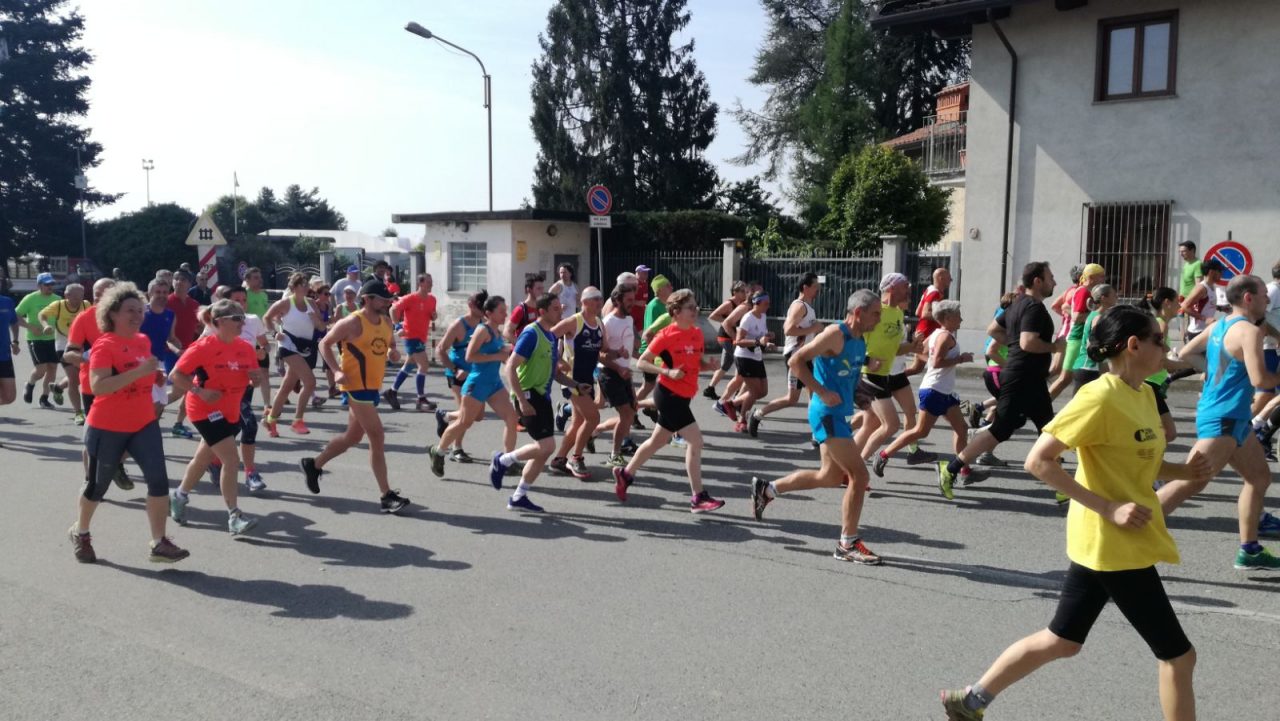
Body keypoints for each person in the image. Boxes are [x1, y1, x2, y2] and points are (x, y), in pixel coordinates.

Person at [939, 305, 1208, 721]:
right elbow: (1039, 460)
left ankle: (970, 701)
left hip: (1113, 541)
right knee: (1179, 656)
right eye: (1158, 339)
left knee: (1063, 640)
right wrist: (1109, 508)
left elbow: (1136, 459)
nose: (1165, 347)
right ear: (1134, 345)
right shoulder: (1098, 396)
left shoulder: (1144, 394)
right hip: (1112, 542)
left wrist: (1183, 470)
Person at [1156, 274, 1280, 569]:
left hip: (1233, 418)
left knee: (1259, 478)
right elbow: (1261, 380)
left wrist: (1213, 376)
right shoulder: (1247, 332)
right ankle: (1126, 532)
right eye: (1264, 294)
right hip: (1223, 417)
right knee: (1191, 480)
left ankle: (1249, 550)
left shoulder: (1220, 325)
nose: (1268, 299)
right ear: (1248, 298)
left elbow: (1186, 352)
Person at [750, 290, 883, 563]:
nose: (879, 320)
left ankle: (767, 489)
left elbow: (849, 378)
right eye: (876, 314)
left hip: (839, 414)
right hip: (826, 414)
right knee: (859, 476)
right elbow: (796, 361)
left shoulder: (859, 341)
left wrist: (862, 400)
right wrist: (820, 391)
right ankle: (847, 543)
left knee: (830, 477)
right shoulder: (836, 334)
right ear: (858, 312)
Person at [69, 282, 190, 564]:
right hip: (107, 425)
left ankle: (159, 542)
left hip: (143, 422)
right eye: (129, 311)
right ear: (112, 314)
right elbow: (99, 386)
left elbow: (143, 376)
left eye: (140, 310)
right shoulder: (104, 345)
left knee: (158, 482)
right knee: (97, 487)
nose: (137, 315)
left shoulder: (142, 341)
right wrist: (139, 372)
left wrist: (154, 377)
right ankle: (81, 532)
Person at [938, 262, 1062, 499]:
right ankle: (951, 468)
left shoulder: (1016, 304)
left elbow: (993, 329)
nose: (1054, 282)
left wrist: (1013, 343)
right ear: (1037, 281)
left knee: (1049, 429)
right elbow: (1027, 343)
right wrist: (1055, 346)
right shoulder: (1033, 308)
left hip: (1030, 378)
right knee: (1001, 429)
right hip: (1022, 377)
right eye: (1051, 277)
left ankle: (1060, 487)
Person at [612, 288, 725, 513]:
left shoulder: (696, 333)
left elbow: (695, 363)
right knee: (696, 441)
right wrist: (668, 372)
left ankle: (625, 474)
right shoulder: (665, 336)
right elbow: (642, 362)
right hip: (668, 395)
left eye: (696, 306)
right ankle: (698, 497)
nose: (696, 311)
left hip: (684, 397)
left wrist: (707, 366)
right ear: (675, 311)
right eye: (690, 307)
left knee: (657, 441)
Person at [300, 280, 409, 512]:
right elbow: (324, 344)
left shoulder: (386, 321)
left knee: (352, 438)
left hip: (372, 386)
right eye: (381, 299)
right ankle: (386, 496)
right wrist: (337, 371)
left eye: (387, 299)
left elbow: (388, 343)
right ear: (367, 299)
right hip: (354, 386)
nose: (386, 302)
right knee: (377, 436)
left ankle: (314, 464)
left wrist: (393, 351)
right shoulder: (352, 322)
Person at [167, 299, 261, 536]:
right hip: (204, 409)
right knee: (230, 459)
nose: (242, 323)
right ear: (219, 322)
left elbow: (252, 378)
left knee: (202, 459)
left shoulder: (246, 347)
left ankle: (179, 495)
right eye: (236, 319)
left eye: (243, 317)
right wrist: (200, 391)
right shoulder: (202, 347)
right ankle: (234, 516)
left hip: (230, 410)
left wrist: (255, 379)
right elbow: (176, 376)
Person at [487, 293, 582, 513]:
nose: (561, 312)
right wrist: (521, 399)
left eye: (560, 308)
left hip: (543, 397)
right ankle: (503, 461)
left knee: (544, 451)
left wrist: (575, 384)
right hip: (528, 395)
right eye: (556, 308)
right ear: (542, 312)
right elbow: (510, 367)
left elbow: (554, 373)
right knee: (547, 446)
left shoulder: (550, 336)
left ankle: (518, 496)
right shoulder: (531, 334)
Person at [874, 300, 973, 478]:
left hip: (944, 391)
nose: (962, 319)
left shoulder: (937, 334)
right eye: (958, 316)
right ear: (948, 318)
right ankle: (883, 455)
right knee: (921, 431)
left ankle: (964, 471)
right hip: (934, 391)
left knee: (962, 428)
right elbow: (936, 362)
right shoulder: (944, 337)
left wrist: (925, 357)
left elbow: (920, 351)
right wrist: (960, 359)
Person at [429, 293, 520, 476]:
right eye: (502, 311)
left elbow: (498, 354)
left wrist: (507, 354)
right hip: (477, 383)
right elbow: (470, 357)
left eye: (506, 310)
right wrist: (498, 355)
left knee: (512, 418)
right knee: (464, 421)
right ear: (489, 313)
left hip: (494, 383)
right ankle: (438, 451)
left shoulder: (497, 331)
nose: (505, 314)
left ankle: (506, 461)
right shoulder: (482, 330)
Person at [202, 286, 271, 493]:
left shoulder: (252, 320)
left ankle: (243, 471)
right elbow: (202, 348)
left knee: (240, 427)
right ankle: (228, 466)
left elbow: (265, 346)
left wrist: (261, 352)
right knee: (242, 426)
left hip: (245, 385)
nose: (241, 303)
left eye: (244, 299)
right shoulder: (219, 324)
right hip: (222, 387)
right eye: (236, 300)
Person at [854, 273, 928, 465]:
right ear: (892, 288)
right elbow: (854, 341)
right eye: (905, 287)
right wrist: (867, 360)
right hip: (868, 375)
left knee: (871, 424)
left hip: (886, 375)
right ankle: (857, 468)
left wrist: (913, 347)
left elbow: (894, 349)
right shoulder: (875, 310)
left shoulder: (897, 313)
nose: (908, 291)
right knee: (891, 425)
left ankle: (845, 463)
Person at [748, 273, 822, 437]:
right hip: (796, 357)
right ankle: (757, 415)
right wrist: (814, 328)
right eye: (816, 286)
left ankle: (817, 435)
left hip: (806, 356)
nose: (819, 289)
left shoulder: (807, 307)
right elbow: (788, 329)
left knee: (814, 394)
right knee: (792, 399)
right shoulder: (799, 306)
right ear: (805, 287)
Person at [548, 286, 604, 479]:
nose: (599, 302)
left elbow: (601, 351)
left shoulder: (598, 323)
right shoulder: (574, 321)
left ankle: (559, 460)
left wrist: (617, 356)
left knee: (578, 421)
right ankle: (576, 458)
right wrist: (558, 360)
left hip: (587, 378)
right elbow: (549, 337)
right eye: (595, 299)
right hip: (572, 380)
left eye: (600, 299)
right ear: (585, 302)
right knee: (593, 418)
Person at [263, 273, 325, 436]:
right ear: (294, 287)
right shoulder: (285, 304)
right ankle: (298, 421)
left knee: (287, 386)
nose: (306, 287)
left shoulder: (311, 303)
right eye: (302, 284)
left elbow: (320, 327)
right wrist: (274, 333)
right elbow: (267, 317)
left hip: (306, 346)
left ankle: (271, 420)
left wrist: (315, 320)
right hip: (288, 344)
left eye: (306, 284)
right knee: (310, 382)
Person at [433, 290, 488, 462]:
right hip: (458, 374)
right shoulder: (459, 325)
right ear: (471, 305)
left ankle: (445, 416)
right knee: (466, 416)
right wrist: (456, 370)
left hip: (476, 374)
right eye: (481, 307)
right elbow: (440, 350)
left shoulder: (483, 324)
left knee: (478, 416)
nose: (484, 311)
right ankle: (457, 449)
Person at [596, 283, 641, 467]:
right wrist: (618, 368)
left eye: (633, 299)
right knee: (626, 414)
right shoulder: (608, 322)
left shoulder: (629, 320)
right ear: (617, 300)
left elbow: (630, 352)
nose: (632, 303)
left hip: (625, 373)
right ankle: (614, 454)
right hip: (609, 372)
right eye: (628, 300)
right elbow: (599, 354)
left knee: (631, 413)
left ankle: (594, 432)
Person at [1050, 263, 1105, 400]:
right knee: (1064, 378)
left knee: (1065, 378)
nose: (1104, 279)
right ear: (1091, 277)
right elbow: (1076, 316)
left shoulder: (1086, 291)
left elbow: (1065, 306)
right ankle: (1038, 405)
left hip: (1079, 338)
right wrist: (1097, 315)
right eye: (1101, 276)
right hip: (1076, 339)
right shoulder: (1083, 291)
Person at [36, 282, 89, 422]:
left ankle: (58, 387)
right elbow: (42, 314)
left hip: (82, 345)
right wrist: (46, 325)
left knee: (78, 377)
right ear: (67, 295)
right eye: (76, 297)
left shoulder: (86, 305)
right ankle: (78, 413)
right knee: (73, 378)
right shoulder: (58, 306)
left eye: (81, 297)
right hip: (64, 345)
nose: (78, 300)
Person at [386, 273, 438, 412]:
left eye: (431, 282)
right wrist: (398, 326)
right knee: (424, 365)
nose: (431, 284)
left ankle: (392, 391)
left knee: (409, 365)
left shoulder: (432, 299)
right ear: (420, 284)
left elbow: (433, 314)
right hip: (410, 336)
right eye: (428, 282)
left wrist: (434, 316)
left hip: (421, 337)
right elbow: (393, 309)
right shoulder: (410, 298)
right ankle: (420, 399)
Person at [728, 290, 776, 434]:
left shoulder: (763, 316)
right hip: (744, 357)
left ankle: (732, 403)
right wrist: (757, 341)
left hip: (756, 356)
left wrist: (767, 341)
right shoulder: (747, 318)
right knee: (754, 391)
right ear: (757, 303)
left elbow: (761, 337)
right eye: (766, 303)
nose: (768, 306)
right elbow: (738, 341)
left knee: (763, 392)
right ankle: (741, 421)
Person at [139, 279, 184, 428]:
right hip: (141, 363)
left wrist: (179, 349)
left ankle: (150, 430)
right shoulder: (141, 313)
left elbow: (170, 338)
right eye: (158, 292)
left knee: (161, 403)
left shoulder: (170, 315)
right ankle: (143, 432)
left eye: (165, 292)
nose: (162, 295)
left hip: (159, 363)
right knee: (155, 402)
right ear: (150, 293)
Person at [15, 272, 62, 409]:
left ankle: (44, 398)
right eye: (47, 284)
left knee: (52, 368)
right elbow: (16, 316)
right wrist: (30, 327)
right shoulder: (30, 299)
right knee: (41, 370)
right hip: (35, 338)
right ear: (39, 285)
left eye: (51, 284)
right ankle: (30, 384)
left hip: (53, 339)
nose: (50, 287)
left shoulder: (58, 299)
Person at [167, 271, 203, 434]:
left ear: (190, 284)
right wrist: (175, 348)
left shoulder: (194, 304)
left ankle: (178, 424)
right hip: (167, 352)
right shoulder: (166, 302)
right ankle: (149, 410)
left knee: (187, 388)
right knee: (181, 389)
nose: (179, 282)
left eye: (183, 280)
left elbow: (199, 327)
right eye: (176, 279)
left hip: (188, 353)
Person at [703, 281, 748, 400]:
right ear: (735, 292)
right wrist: (727, 321)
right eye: (743, 291)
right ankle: (737, 390)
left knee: (726, 364)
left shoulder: (743, 303)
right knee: (739, 361)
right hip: (725, 336)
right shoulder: (729, 304)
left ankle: (710, 388)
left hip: (734, 336)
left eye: (746, 291)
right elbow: (712, 315)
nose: (745, 293)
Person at [1068, 284, 1118, 393]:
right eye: (1114, 295)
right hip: (1088, 368)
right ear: (1104, 298)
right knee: (1079, 408)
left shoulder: (1095, 315)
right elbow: (1094, 346)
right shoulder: (1098, 317)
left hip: (1088, 368)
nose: (1117, 297)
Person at [635, 275, 674, 408]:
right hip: (651, 351)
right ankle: (632, 409)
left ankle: (648, 408)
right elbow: (650, 333)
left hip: (660, 350)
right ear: (660, 290)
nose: (671, 287)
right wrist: (656, 352)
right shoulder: (654, 305)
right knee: (650, 385)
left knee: (652, 385)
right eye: (668, 285)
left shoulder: (665, 304)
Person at [904, 267, 951, 376]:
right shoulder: (934, 293)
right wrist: (944, 319)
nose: (951, 280)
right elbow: (924, 313)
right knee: (922, 366)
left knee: (917, 368)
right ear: (941, 278)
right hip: (926, 332)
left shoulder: (929, 290)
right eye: (949, 277)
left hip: (924, 331)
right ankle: (893, 381)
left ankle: (893, 381)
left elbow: (917, 312)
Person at [1046, 265, 1084, 399]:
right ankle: (1034, 394)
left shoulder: (1070, 290)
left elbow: (1055, 306)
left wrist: (1067, 317)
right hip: (1069, 336)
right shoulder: (1078, 292)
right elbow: (1062, 307)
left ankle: (1036, 397)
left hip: (1065, 333)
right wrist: (1071, 317)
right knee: (1060, 374)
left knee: (1060, 373)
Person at [505, 275, 545, 342]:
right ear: (529, 289)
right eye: (538, 288)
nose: (542, 291)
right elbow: (507, 332)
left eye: (542, 288)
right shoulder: (521, 310)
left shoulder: (543, 308)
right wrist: (521, 346)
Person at [0, 283, 20, 406]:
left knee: (9, 397)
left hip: (4, 355)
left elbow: (14, 322)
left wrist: (15, 341)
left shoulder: (7, 302)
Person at [631, 265, 652, 335]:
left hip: (640, 315)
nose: (646, 275)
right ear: (637, 273)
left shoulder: (645, 283)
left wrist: (644, 305)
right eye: (644, 272)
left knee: (641, 335)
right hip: (631, 314)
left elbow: (643, 301)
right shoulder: (632, 284)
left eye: (647, 272)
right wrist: (639, 303)